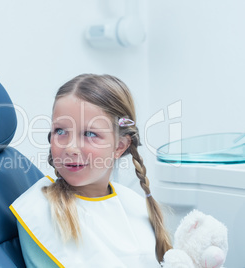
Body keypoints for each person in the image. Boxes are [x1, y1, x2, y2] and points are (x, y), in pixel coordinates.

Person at [10, 74, 172, 267]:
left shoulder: (136, 206)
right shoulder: (41, 212)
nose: (70, 147)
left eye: (89, 134)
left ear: (120, 146)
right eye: (60, 131)